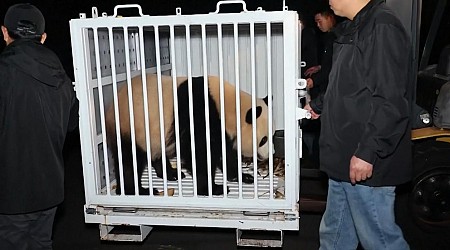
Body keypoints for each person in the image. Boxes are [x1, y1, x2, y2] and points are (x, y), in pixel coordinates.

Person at [305, 0, 413, 249]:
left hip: (363, 161)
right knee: (334, 237)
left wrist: (368, 152)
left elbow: (391, 100)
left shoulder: (382, 25)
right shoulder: (357, 26)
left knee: (380, 241)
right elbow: (349, 85)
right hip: (344, 158)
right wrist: (319, 105)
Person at [0, 3, 78, 249]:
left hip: (9, 195)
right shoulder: (62, 79)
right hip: (50, 191)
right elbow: (71, 126)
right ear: (43, 38)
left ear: (4, 32)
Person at [305, 8, 336, 100]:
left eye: (319, 21)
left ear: (329, 18)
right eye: (316, 23)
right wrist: (320, 67)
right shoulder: (328, 37)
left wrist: (314, 80)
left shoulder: (338, 38)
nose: (318, 25)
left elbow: (335, 67)